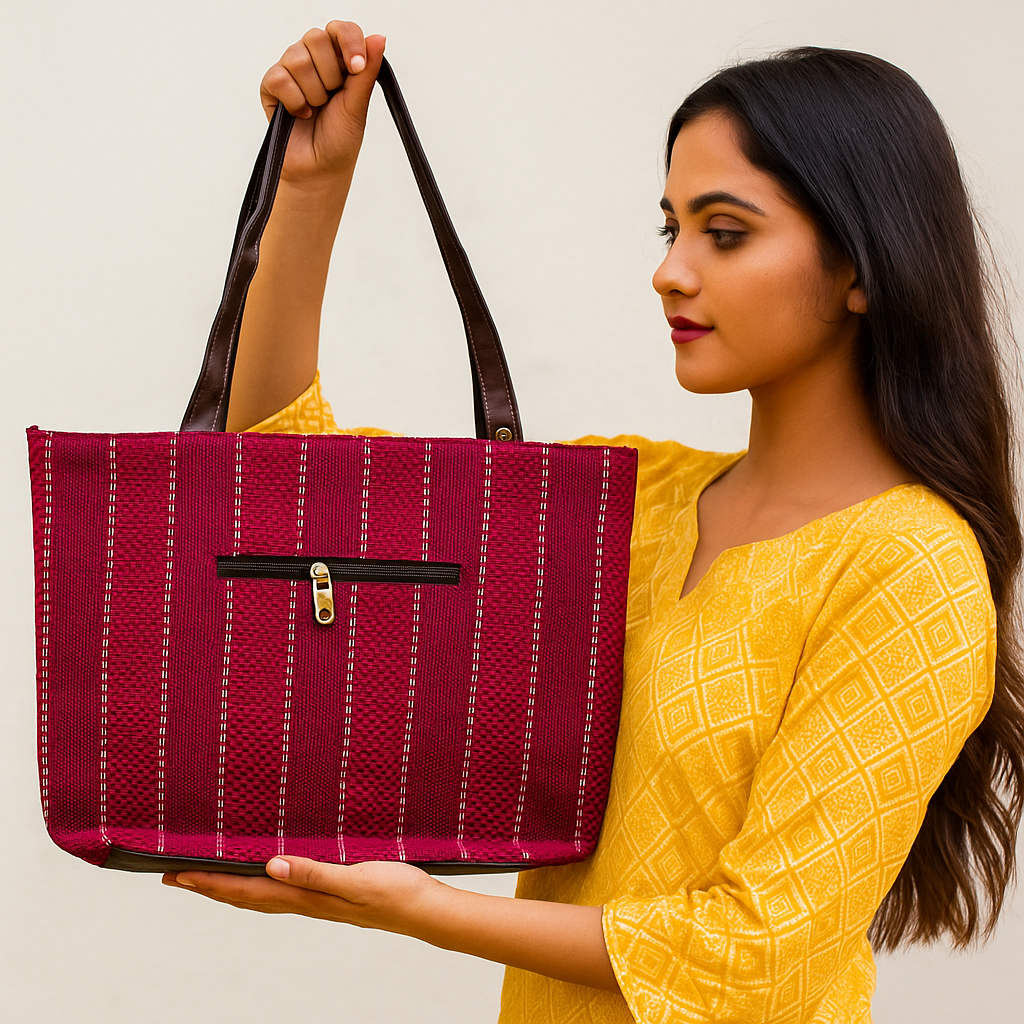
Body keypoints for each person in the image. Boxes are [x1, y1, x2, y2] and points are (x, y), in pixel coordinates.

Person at [162, 21, 1024, 1024]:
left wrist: (416, 906)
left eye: (725, 231)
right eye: (671, 228)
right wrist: (310, 191)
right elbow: (283, 470)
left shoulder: (911, 567)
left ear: (860, 267)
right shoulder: (632, 500)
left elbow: (755, 953)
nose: (671, 270)